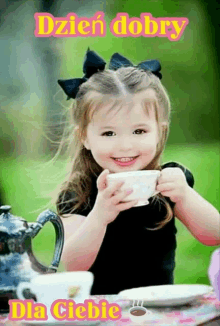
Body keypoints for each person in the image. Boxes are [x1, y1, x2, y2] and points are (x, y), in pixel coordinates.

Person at [56, 49, 220, 295]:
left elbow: (213, 236)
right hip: (104, 311)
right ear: (85, 137)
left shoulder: (169, 181)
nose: (125, 145)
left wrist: (185, 196)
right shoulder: (79, 192)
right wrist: (99, 216)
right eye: (109, 133)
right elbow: (72, 265)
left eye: (140, 131)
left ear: (159, 131)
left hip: (162, 307)